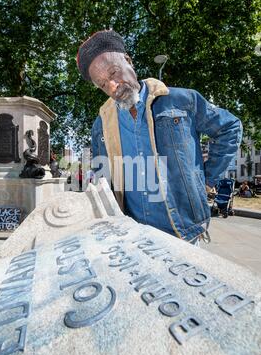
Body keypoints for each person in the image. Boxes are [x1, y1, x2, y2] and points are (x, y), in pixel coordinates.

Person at [76, 30, 242, 244]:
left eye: (114, 73)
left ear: (128, 60)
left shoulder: (181, 100)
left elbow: (230, 127)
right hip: (133, 237)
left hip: (184, 233)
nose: (113, 87)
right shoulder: (101, 124)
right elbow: (103, 179)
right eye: (102, 85)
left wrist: (207, 180)